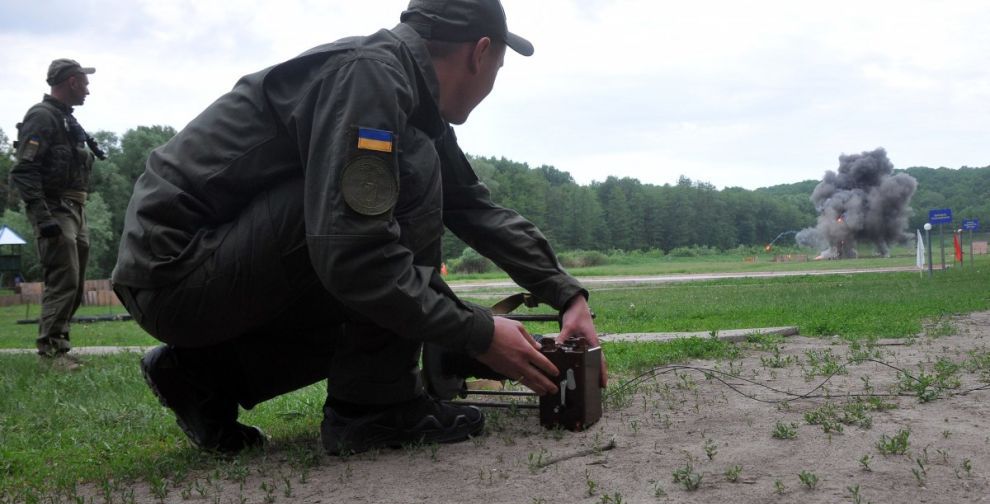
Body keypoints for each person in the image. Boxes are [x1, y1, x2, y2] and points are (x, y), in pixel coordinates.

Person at [112, 0, 606, 455]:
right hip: (178, 269)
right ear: (480, 53)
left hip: (191, 272)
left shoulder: (404, 95)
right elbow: (354, 256)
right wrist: (478, 332)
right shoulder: (372, 79)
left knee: (390, 260)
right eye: (499, 66)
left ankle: (203, 377)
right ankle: (377, 408)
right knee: (399, 189)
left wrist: (566, 295)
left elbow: (472, 207)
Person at [10, 58, 103, 371]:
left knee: (75, 284)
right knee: (62, 280)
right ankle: (51, 353)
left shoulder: (66, 120)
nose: (88, 90)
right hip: (55, 208)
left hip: (76, 208)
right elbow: (24, 170)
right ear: (73, 82)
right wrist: (42, 216)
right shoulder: (42, 117)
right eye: (85, 83)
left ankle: (59, 345)